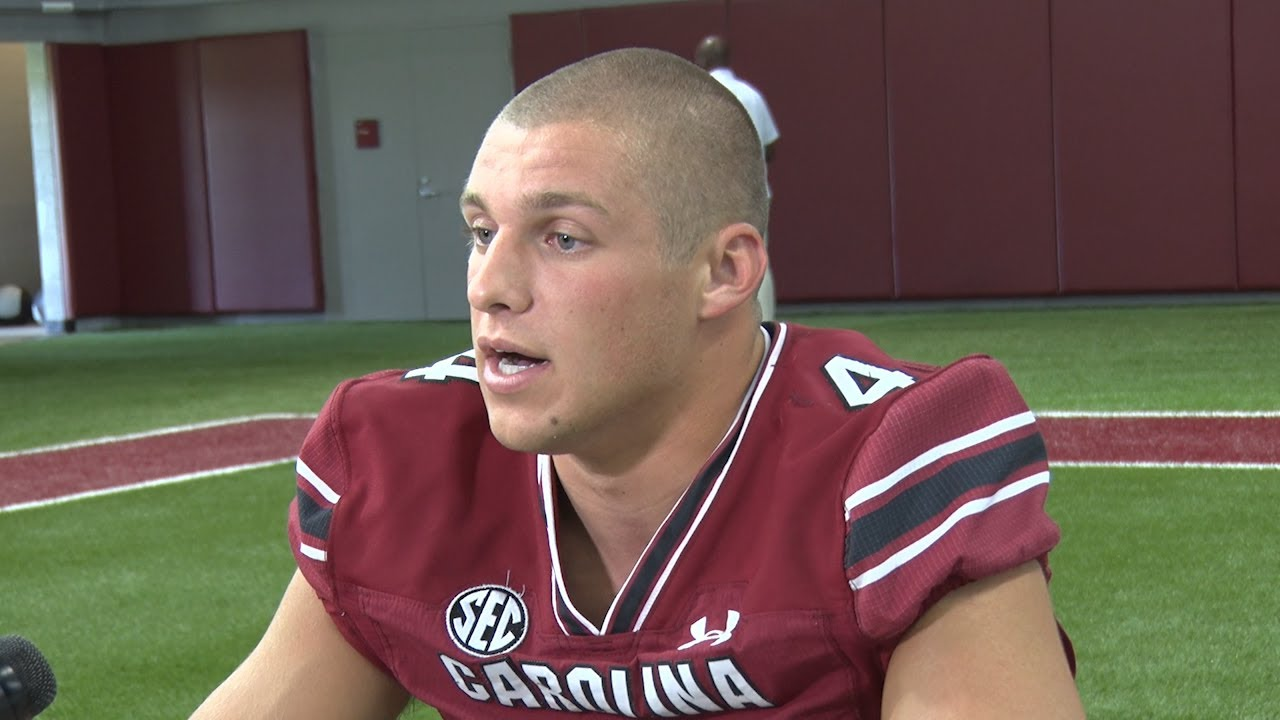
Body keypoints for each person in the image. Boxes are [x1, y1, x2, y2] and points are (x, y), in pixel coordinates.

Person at [191, 48, 1083, 719]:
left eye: (561, 237)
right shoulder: (398, 455)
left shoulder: (891, 457)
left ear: (724, 272)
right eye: (478, 231)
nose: (488, 285)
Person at [694, 34, 780, 322]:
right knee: (758, 258)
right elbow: (770, 146)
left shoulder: (699, 95)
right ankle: (764, 322)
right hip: (753, 192)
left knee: (706, 260)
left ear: (703, 61)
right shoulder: (750, 94)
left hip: (710, 194)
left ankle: (717, 323)